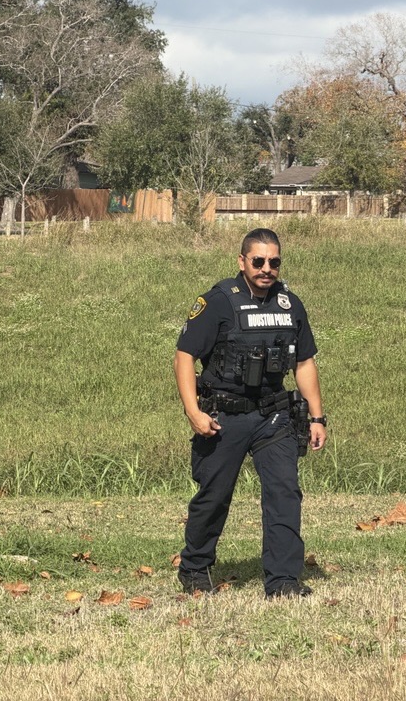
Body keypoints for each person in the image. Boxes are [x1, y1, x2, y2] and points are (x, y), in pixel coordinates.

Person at [174, 228, 327, 599]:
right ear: (241, 261)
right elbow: (184, 356)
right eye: (258, 261)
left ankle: (283, 581)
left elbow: (304, 362)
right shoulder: (219, 302)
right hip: (224, 417)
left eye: (274, 262)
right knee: (214, 495)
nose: (266, 268)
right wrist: (193, 411)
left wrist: (317, 417)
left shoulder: (290, 304)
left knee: (284, 493)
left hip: (274, 416)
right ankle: (195, 568)